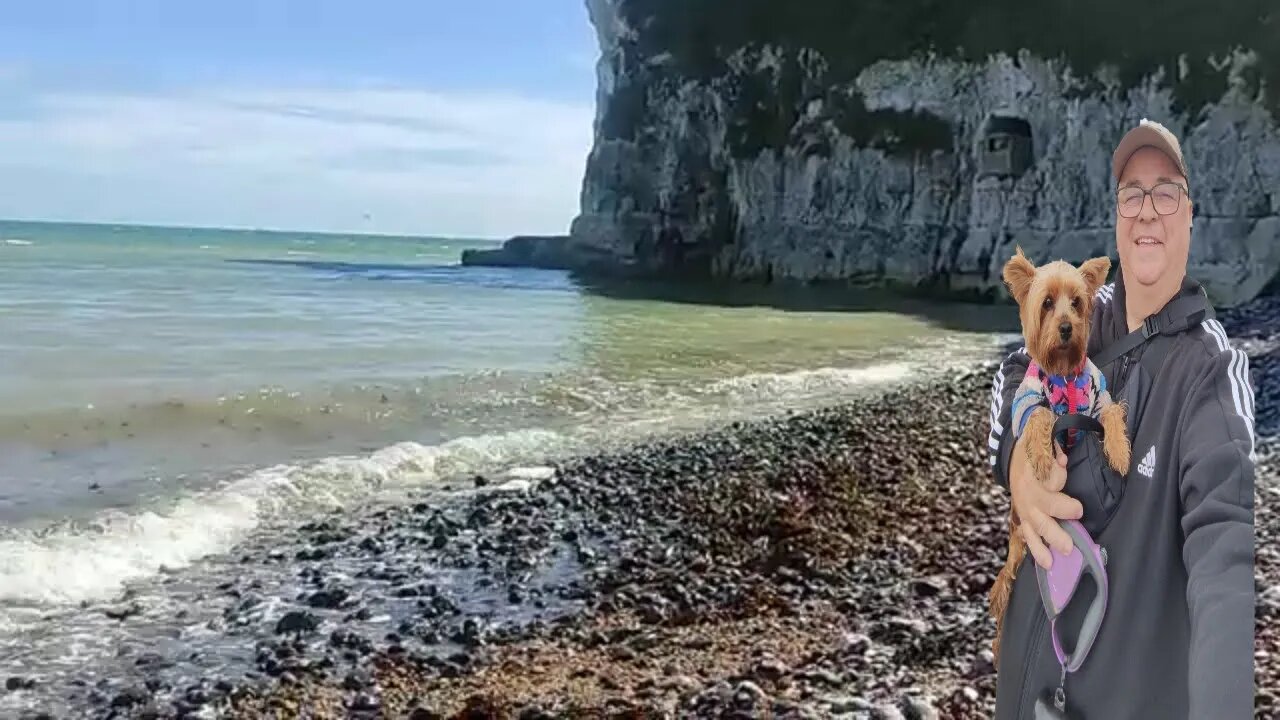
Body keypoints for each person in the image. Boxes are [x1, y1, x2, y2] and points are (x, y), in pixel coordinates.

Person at [986, 119, 1256, 719]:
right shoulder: (1085, 319)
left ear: (1191, 216)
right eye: (1132, 194)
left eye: (1166, 193)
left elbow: (1225, 564)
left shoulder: (1209, 372)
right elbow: (1009, 378)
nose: (1147, 211)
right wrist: (1018, 468)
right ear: (1116, 216)